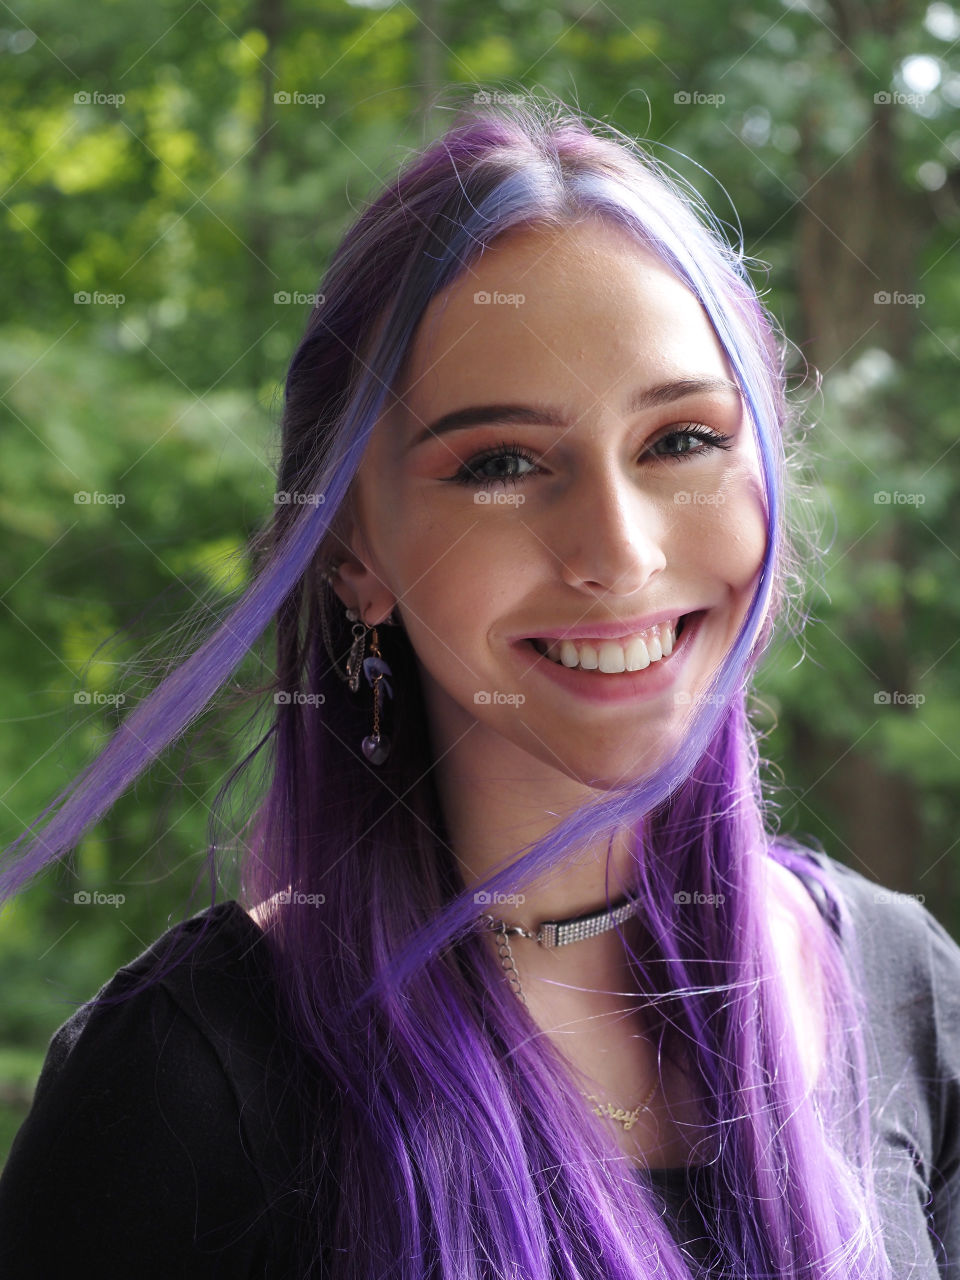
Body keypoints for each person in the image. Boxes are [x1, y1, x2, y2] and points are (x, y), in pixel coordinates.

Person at [0, 93, 957, 1280]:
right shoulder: (184, 1087)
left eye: (681, 441)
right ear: (353, 550)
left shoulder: (906, 988)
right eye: (502, 463)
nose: (619, 551)